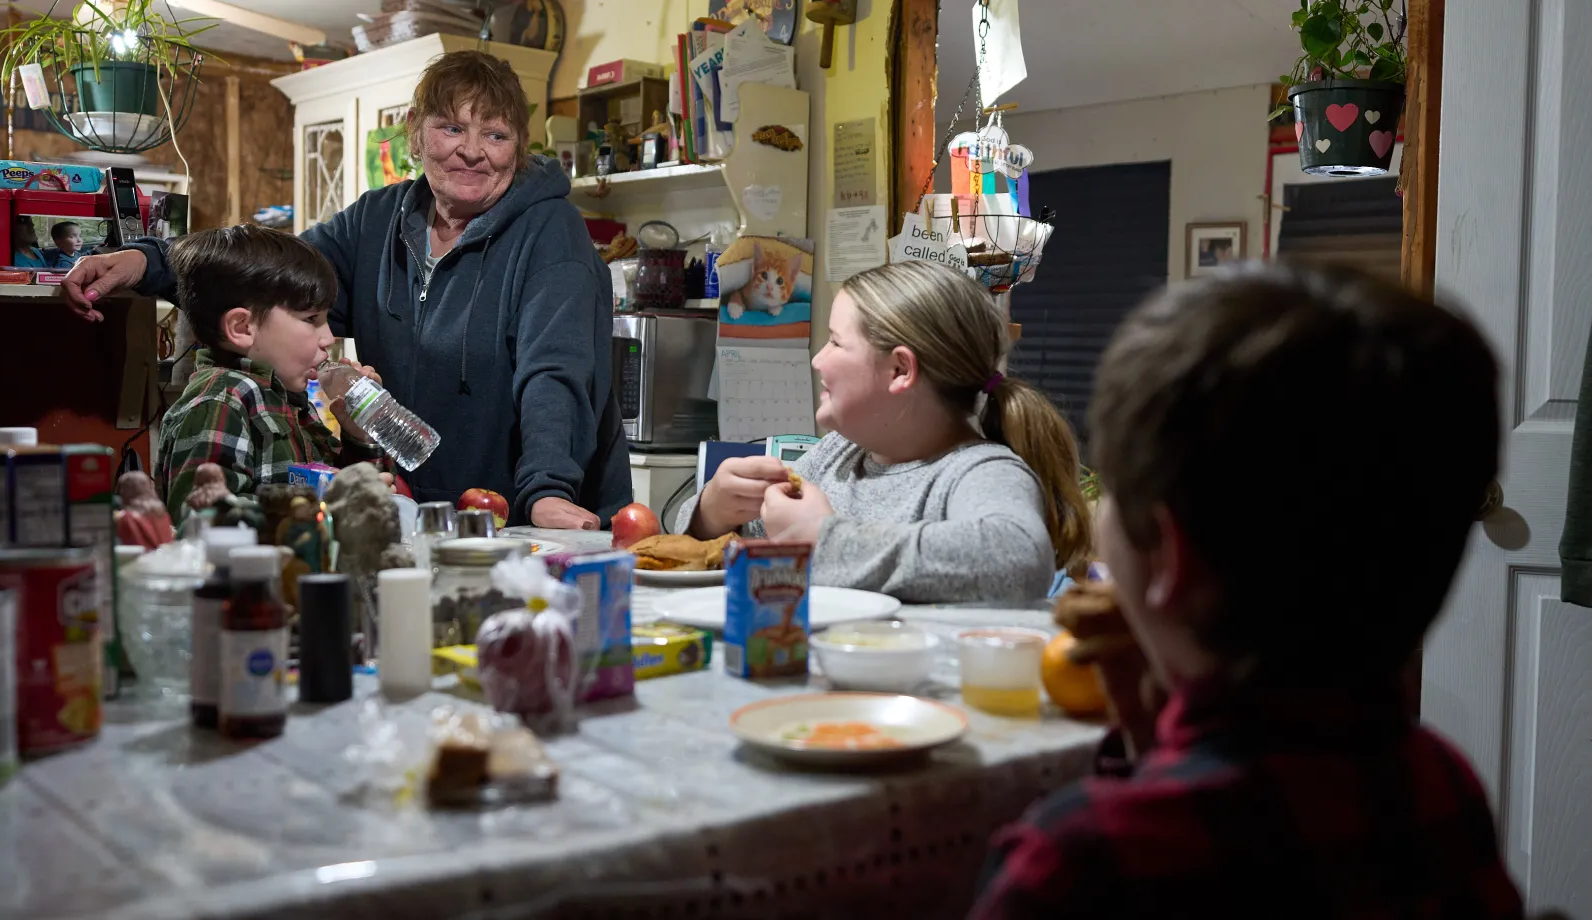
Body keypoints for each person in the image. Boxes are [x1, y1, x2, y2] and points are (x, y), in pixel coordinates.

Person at [969, 263, 1523, 918]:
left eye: (1112, 491)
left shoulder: (1079, 863)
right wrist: (1147, 730)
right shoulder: (1442, 783)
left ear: (1170, 558)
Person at [62, 50, 629, 529]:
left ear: (519, 147)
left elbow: (557, 372)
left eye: (496, 134)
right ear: (415, 128)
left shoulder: (553, 235)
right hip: (416, 515)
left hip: (520, 517)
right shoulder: (377, 220)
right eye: (452, 127)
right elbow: (263, 273)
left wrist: (548, 491)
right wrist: (146, 260)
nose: (473, 151)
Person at [677, 260, 1091, 603]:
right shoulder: (835, 455)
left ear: (899, 370)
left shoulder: (981, 471)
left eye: (836, 343)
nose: (817, 360)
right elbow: (729, 540)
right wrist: (712, 511)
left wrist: (823, 540)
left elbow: (1018, 560)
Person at [154, 225, 384, 525]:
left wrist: (359, 436)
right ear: (241, 327)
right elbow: (203, 522)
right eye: (311, 319)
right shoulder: (221, 400)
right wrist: (325, 506)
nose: (328, 337)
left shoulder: (289, 400)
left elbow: (352, 494)